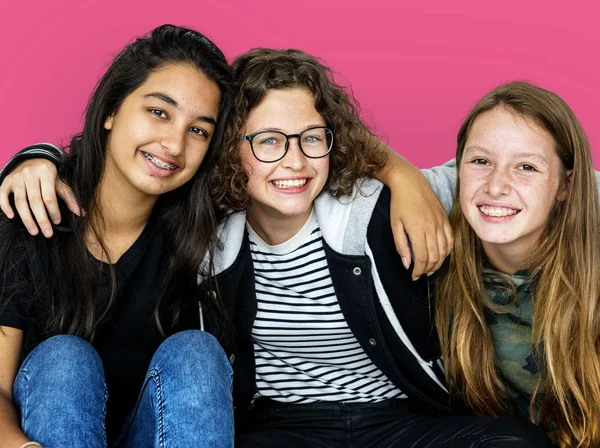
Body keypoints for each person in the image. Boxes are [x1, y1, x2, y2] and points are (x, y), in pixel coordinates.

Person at [1, 50, 550, 445]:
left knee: (514, 442)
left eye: (312, 139)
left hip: (392, 419)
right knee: (81, 359)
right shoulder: (190, 229)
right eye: (267, 142)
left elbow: (495, 180)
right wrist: (37, 157)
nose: (293, 161)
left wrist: (402, 176)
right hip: (273, 428)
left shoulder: (373, 207)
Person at [0, 24, 238, 448]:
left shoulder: (203, 235)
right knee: (64, 360)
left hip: (155, 434)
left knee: (197, 354)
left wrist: (397, 173)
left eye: (198, 129)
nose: (174, 144)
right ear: (111, 110)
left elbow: (292, 156)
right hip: (41, 438)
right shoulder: (30, 213)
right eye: (159, 112)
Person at [435, 81, 600, 447]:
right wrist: (399, 175)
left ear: (566, 186)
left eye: (526, 167)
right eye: (480, 161)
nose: (496, 186)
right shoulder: (436, 254)